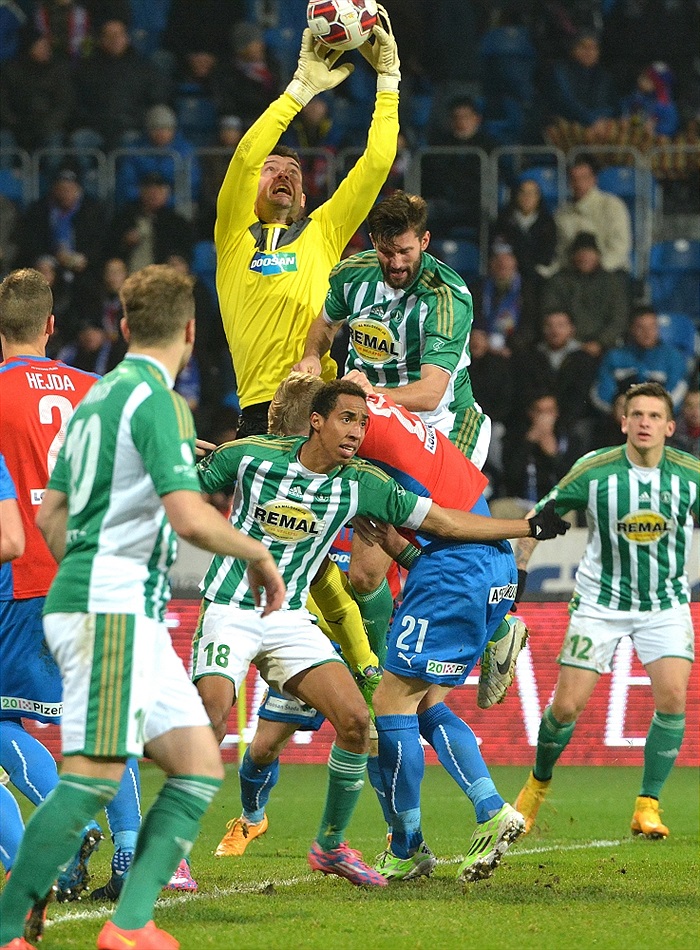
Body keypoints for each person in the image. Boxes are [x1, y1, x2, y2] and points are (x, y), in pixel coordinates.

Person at [0, 264, 285, 950]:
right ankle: (13, 924)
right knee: (94, 775)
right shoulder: (150, 401)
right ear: (191, 331)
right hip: (112, 605)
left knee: (194, 762)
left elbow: (55, 514)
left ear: (125, 328)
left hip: (98, 599)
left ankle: (129, 925)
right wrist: (256, 552)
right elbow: (189, 517)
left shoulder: (101, 402)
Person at [191, 378, 569, 887]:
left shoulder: (363, 484)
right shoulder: (250, 457)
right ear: (316, 421)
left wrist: (526, 528)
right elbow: (182, 479)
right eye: (348, 419)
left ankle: (334, 846)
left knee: (358, 722)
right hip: (232, 609)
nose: (357, 430)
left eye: (363, 422)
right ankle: (193, 837)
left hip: (297, 623)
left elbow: (444, 523)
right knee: (229, 729)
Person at [513, 382, 698, 840]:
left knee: (673, 699)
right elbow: (543, 515)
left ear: (670, 427)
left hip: (665, 603)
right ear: (622, 422)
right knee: (566, 708)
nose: (644, 423)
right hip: (600, 603)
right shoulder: (595, 472)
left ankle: (647, 806)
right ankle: (536, 785)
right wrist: (518, 570)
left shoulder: (690, 474)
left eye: (654, 416)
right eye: (636, 414)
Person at [215, 9, 401, 439]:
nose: (283, 173)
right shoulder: (232, 234)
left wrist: (388, 81)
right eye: (272, 168)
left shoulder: (324, 230)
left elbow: (376, 165)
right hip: (261, 411)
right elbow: (245, 157)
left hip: (322, 404)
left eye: (293, 172)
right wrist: (298, 91)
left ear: (303, 198)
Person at [296, 190, 488, 464]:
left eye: (404, 251)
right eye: (386, 252)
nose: (396, 263)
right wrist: (312, 354)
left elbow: (431, 393)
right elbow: (326, 323)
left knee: (444, 506)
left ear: (424, 241)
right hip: (368, 416)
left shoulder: (446, 297)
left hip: (440, 423)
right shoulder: (351, 274)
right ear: (373, 241)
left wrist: (370, 394)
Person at [540, 231, 629, 360]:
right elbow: (551, 312)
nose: (585, 257)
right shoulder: (559, 280)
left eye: (589, 253)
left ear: (597, 255)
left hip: (605, 346)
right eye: (580, 253)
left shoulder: (612, 283)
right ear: (573, 256)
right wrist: (569, 340)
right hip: (564, 345)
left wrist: (600, 342)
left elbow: (619, 318)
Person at [591, 306, 689, 418]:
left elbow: (677, 391)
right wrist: (616, 408)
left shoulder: (673, 357)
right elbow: (601, 392)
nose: (647, 333)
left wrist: (650, 412)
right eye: (640, 327)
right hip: (619, 420)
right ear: (631, 329)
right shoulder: (614, 357)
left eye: (652, 327)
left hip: (658, 420)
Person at [551, 155, 633, 279]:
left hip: (611, 270)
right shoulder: (562, 214)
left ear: (594, 179)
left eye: (584, 178)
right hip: (574, 273)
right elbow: (563, 251)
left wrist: (597, 268)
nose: (579, 183)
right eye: (574, 179)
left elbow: (620, 247)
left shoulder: (612, 205)